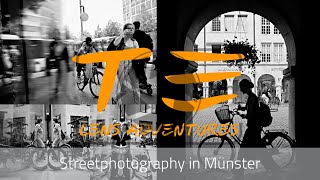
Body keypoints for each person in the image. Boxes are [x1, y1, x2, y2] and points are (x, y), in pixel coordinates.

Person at [230, 79, 279, 180]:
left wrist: (242, 115)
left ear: (246, 87)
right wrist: (242, 109)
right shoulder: (251, 97)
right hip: (254, 128)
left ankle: (238, 172)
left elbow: (251, 115)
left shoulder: (252, 98)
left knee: (244, 150)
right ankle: (274, 168)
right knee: (260, 152)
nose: (240, 89)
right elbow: (251, 111)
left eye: (241, 87)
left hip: (253, 128)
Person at [111, 23, 140, 104]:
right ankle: (115, 98)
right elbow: (115, 44)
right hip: (120, 66)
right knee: (125, 90)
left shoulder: (135, 42)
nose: (131, 29)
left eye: (132, 28)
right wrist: (122, 34)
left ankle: (137, 106)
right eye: (129, 28)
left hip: (132, 66)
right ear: (125, 29)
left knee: (136, 89)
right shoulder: (120, 39)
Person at [132, 21, 154, 89]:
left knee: (137, 68)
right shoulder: (145, 34)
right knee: (141, 68)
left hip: (136, 56)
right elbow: (151, 43)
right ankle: (142, 81)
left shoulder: (133, 35)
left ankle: (143, 82)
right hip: (145, 55)